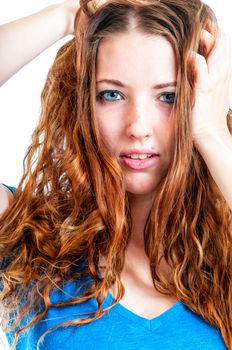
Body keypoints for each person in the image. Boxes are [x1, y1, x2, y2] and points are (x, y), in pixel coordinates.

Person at [0, 0, 232, 349]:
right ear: (79, 103)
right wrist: (68, 16)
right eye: (111, 94)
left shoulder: (224, 262)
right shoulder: (33, 244)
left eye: (168, 96)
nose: (138, 127)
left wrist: (212, 132)